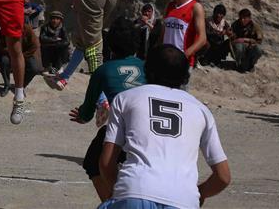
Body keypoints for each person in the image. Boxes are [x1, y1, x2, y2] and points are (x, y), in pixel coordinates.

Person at [99, 45, 231, 208]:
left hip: (136, 188)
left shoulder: (125, 98)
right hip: (184, 200)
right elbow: (223, 177)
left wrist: (118, 190)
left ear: (147, 69)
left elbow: (106, 162)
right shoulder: (201, 110)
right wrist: (199, 193)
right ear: (185, 75)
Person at [70, 18, 146, 201]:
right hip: (149, 127)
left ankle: (112, 202)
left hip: (124, 129)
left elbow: (88, 112)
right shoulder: (146, 66)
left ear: (110, 43)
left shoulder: (103, 71)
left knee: (92, 162)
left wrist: (82, 115)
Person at [150, 0, 207, 79]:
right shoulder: (170, 6)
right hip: (165, 61)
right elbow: (163, 35)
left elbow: (202, 39)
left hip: (181, 63)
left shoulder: (195, 7)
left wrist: (183, 56)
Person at [229, 8, 263, 72]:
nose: (242, 20)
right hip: (240, 48)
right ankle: (238, 64)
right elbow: (232, 40)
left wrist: (245, 40)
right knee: (239, 47)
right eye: (241, 18)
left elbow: (259, 41)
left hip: (250, 47)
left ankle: (251, 64)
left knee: (259, 50)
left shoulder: (255, 27)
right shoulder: (235, 25)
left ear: (249, 18)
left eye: (244, 18)